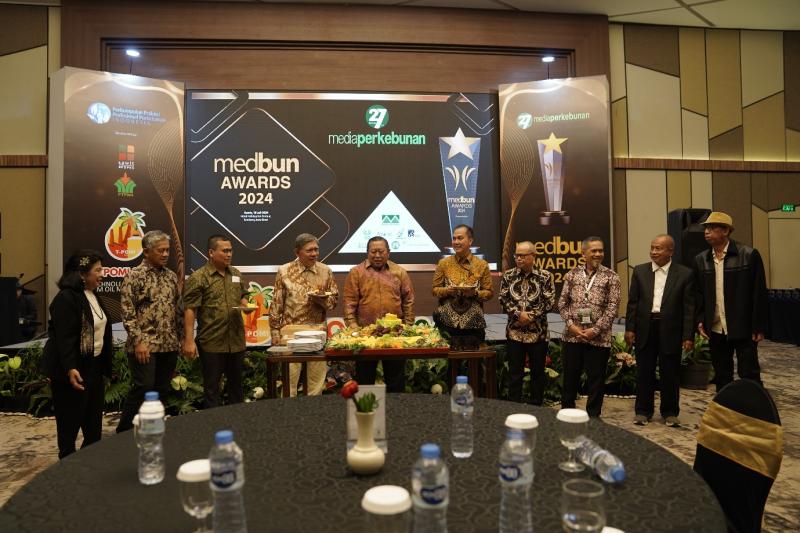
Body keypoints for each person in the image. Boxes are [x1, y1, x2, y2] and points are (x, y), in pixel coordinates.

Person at [40, 250, 112, 459]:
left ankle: (88, 464)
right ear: (82, 273)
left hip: (93, 368)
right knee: (69, 426)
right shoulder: (66, 298)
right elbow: (65, 338)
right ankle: (68, 467)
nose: (102, 274)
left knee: (93, 427)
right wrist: (71, 367)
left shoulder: (93, 295)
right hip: (71, 371)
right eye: (98, 270)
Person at [116, 231, 183, 432]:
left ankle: (153, 429)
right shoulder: (134, 276)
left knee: (162, 390)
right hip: (144, 345)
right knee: (143, 388)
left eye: (167, 250)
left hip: (168, 344)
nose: (165, 254)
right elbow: (128, 312)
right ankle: (124, 432)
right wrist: (138, 341)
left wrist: (181, 339)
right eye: (160, 250)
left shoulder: (171, 277)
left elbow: (177, 310)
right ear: (146, 252)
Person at [625, 235, 694, 427]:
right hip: (645, 328)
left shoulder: (685, 274)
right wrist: (630, 328)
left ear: (670, 251)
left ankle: (670, 412)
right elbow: (632, 303)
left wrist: (688, 335)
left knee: (670, 372)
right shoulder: (640, 271)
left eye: (658, 248)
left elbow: (689, 308)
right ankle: (643, 411)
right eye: (652, 248)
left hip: (671, 329)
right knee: (644, 372)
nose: (654, 252)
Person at [694, 211, 768, 391]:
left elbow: (758, 293)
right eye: (706, 228)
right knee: (721, 374)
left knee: (749, 373)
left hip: (743, 325)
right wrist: (700, 319)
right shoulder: (701, 259)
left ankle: (752, 405)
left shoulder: (748, 254)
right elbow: (698, 294)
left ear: (726, 231)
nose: (706, 232)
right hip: (716, 326)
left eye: (712, 228)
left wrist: (758, 325)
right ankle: (724, 407)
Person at [182, 235, 249, 408]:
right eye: (225, 251)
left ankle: (238, 421)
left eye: (230, 251)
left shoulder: (236, 274)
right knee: (211, 389)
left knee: (237, 387)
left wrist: (246, 305)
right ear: (211, 253)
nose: (229, 254)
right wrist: (188, 340)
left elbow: (243, 296)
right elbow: (190, 309)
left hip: (236, 340)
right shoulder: (198, 277)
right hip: (212, 341)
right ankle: (213, 422)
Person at [558, 236, 621, 417]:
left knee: (596, 380)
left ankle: (593, 416)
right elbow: (562, 303)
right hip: (573, 336)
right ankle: (567, 413)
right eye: (594, 251)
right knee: (570, 378)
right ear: (583, 253)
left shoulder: (612, 276)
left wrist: (595, 330)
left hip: (599, 338)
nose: (598, 254)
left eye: (601, 250)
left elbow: (613, 307)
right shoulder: (571, 275)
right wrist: (572, 326)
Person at [269, 233, 339, 396]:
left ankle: (313, 411)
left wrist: (321, 300)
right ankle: (288, 411)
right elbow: (277, 303)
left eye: (316, 249)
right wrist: (275, 331)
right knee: (289, 382)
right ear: (297, 252)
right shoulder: (284, 271)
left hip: (317, 332)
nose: (314, 254)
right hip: (290, 334)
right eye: (309, 250)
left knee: (316, 384)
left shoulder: (325, 271)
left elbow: (333, 302)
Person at [343, 236, 415, 392]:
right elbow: (349, 304)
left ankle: (396, 408)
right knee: (364, 383)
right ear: (367, 252)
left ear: (388, 252)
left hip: (395, 336)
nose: (377, 255)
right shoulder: (356, 273)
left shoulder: (400, 272)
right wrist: (355, 330)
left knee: (396, 383)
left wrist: (407, 327)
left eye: (381, 252)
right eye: (373, 251)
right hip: (365, 336)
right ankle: (365, 408)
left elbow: (408, 301)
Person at [498, 241, 555, 405]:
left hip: (538, 333)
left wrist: (531, 316)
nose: (518, 258)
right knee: (514, 373)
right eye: (517, 255)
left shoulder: (545, 276)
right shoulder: (508, 275)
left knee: (537, 373)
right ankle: (514, 406)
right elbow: (503, 299)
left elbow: (549, 302)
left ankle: (536, 406)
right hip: (514, 332)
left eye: (523, 255)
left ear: (533, 256)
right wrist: (518, 314)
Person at [432, 224, 493, 351]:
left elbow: (489, 293)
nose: (456, 242)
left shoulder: (481, 264)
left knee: (474, 361)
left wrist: (475, 294)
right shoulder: (444, 263)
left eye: (460, 238)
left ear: (470, 241)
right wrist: (447, 291)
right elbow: (435, 290)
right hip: (447, 322)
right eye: (454, 238)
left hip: (474, 324)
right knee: (449, 361)